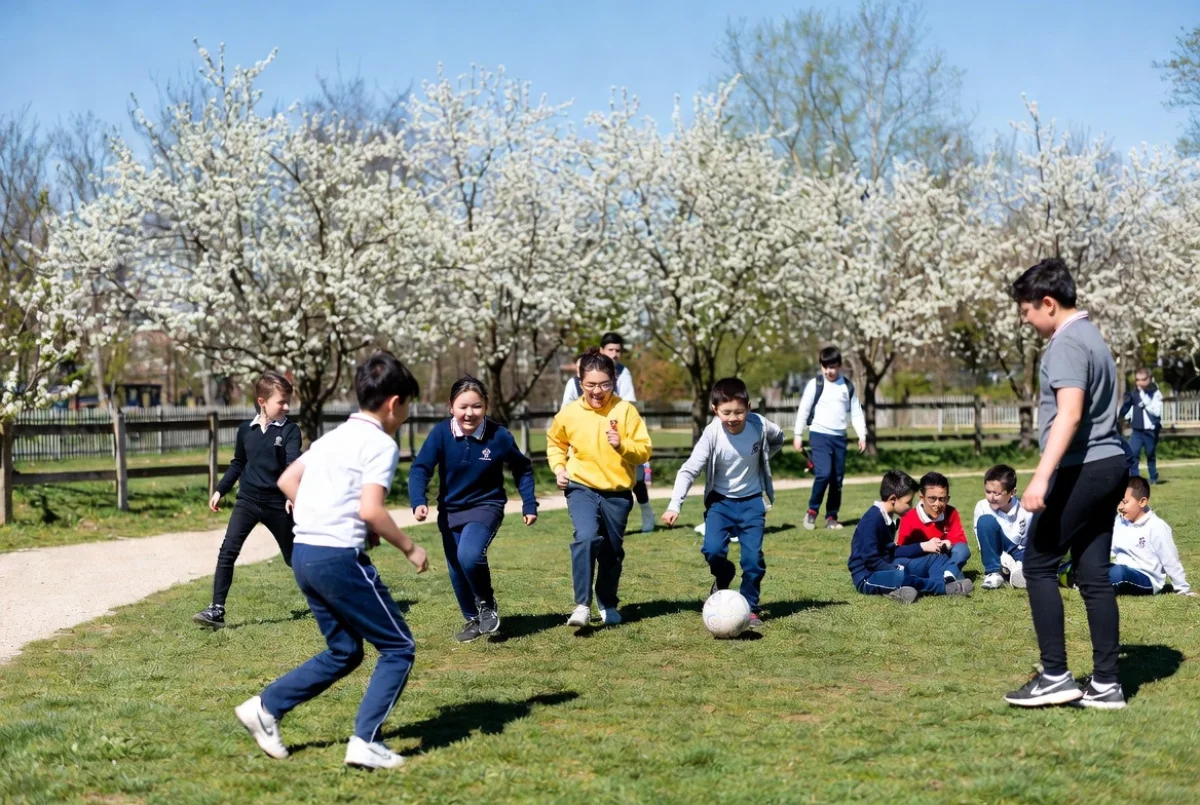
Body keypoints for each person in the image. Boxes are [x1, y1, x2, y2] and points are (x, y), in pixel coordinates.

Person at [234, 352, 429, 770]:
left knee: (344, 650)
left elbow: (288, 480)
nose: (407, 414)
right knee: (399, 647)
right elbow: (372, 510)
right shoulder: (380, 443)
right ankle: (365, 741)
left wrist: (322, 515)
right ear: (394, 404)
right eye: (408, 405)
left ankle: (266, 708)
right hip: (338, 557)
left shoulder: (334, 436)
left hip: (305, 554)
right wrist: (410, 548)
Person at [1002, 258, 1130, 711]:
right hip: (1112, 463)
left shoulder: (1066, 343)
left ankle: (1055, 675)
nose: (1026, 320)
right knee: (1093, 574)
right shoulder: (1094, 336)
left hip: (1083, 467)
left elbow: (1071, 413)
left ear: (1048, 303)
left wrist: (1041, 475)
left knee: (1037, 564)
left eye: (1026, 311)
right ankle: (1107, 684)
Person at [409, 375, 538, 643]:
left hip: (486, 505)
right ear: (451, 407)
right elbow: (420, 467)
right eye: (463, 407)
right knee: (456, 568)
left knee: (469, 555)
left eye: (476, 406)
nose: (469, 413)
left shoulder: (499, 436)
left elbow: (522, 468)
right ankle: (474, 619)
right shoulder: (441, 434)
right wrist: (418, 500)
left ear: (486, 406)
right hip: (450, 510)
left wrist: (528, 503)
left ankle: (488, 605)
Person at [662, 377, 785, 628]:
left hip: (752, 502)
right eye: (726, 412)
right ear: (715, 409)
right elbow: (688, 470)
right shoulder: (712, 433)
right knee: (713, 550)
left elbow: (779, 437)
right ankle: (723, 575)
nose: (733, 418)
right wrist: (675, 505)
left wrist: (764, 458)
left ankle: (751, 607)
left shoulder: (759, 425)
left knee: (753, 560)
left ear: (748, 407)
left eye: (739, 412)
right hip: (720, 503)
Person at [547, 347, 652, 628]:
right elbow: (556, 444)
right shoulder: (568, 414)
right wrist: (559, 468)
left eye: (604, 384)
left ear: (613, 382)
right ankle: (582, 605)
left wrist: (622, 445)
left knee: (612, 551)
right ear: (580, 383)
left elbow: (643, 451)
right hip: (581, 487)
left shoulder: (625, 411)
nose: (597, 391)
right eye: (591, 384)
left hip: (617, 493)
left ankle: (606, 600)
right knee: (586, 537)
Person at [193, 371, 302, 629]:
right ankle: (216, 610)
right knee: (228, 550)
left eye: (288, 401)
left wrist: (292, 495)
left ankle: (330, 598)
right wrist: (221, 490)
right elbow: (238, 463)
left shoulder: (290, 430)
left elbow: (294, 465)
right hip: (248, 500)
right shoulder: (246, 430)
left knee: (294, 557)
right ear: (262, 401)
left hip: (278, 504)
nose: (286, 407)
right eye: (281, 402)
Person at [562, 333, 654, 533]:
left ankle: (646, 512)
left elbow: (629, 403)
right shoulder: (574, 383)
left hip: (618, 433)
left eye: (618, 350)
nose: (615, 354)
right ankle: (591, 524)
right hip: (586, 439)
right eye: (611, 350)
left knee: (636, 477)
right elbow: (564, 414)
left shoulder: (623, 373)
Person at [848, 469, 973, 603]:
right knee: (905, 577)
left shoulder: (886, 517)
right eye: (908, 502)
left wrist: (923, 546)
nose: (910, 506)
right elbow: (871, 560)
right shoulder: (872, 520)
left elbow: (892, 551)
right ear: (893, 499)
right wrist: (897, 569)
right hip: (867, 576)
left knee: (937, 557)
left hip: (888, 564)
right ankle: (946, 588)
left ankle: (910, 588)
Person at [793, 346, 867, 531]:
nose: (829, 371)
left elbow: (856, 413)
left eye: (832, 367)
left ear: (840, 366)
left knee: (837, 479)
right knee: (824, 474)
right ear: (821, 366)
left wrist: (862, 435)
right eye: (825, 367)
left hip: (839, 438)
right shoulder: (815, 384)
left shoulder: (847, 386)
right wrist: (797, 435)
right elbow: (803, 409)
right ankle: (812, 511)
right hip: (819, 435)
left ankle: (831, 517)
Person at [1110, 476, 1192, 596]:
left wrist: (1182, 588)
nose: (1120, 507)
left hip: (1146, 578)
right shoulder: (1120, 521)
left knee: (1117, 573)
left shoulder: (1156, 527)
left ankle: (1093, 584)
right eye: (1119, 502)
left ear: (1142, 502)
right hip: (1120, 567)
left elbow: (1170, 559)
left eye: (1125, 502)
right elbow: (1111, 549)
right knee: (1088, 566)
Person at [973, 464, 1032, 590]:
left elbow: (1027, 541)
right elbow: (982, 540)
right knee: (986, 522)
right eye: (988, 492)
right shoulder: (982, 507)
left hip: (1020, 552)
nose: (991, 497)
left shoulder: (1025, 509)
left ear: (1012, 492)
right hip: (997, 552)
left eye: (997, 493)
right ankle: (994, 573)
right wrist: (1002, 556)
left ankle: (1019, 570)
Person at [897, 472, 971, 571]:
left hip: (946, 558)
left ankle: (950, 573)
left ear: (947, 498)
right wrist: (926, 546)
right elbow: (903, 549)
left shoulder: (951, 512)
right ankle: (948, 576)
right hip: (922, 562)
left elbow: (961, 541)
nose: (937, 504)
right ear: (922, 497)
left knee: (963, 550)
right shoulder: (908, 517)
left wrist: (946, 543)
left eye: (942, 499)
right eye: (932, 499)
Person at [1119, 367, 1164, 484]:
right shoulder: (1134, 394)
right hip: (1137, 430)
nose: (1139, 382)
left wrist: (1145, 402)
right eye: (1137, 380)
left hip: (1150, 430)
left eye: (1143, 379)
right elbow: (1130, 408)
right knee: (1133, 454)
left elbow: (1157, 412)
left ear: (1149, 379)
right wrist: (1125, 416)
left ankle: (1153, 477)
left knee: (1150, 454)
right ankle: (1135, 479)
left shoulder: (1155, 393)